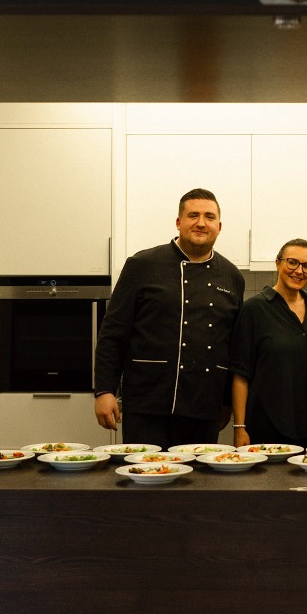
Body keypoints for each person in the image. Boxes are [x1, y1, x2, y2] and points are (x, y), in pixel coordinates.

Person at [93, 188, 244, 446]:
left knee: (198, 473)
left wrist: (226, 402)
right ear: (178, 222)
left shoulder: (232, 276)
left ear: (219, 226)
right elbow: (113, 333)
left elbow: (232, 347)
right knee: (144, 470)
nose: (201, 223)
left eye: (209, 217)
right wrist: (105, 390)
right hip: (147, 403)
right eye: (193, 215)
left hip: (204, 406)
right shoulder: (142, 265)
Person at [230, 239, 307, 449]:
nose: (299, 271)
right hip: (264, 421)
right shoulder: (254, 308)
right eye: (292, 262)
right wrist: (239, 427)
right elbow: (240, 373)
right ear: (278, 263)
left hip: (303, 420)